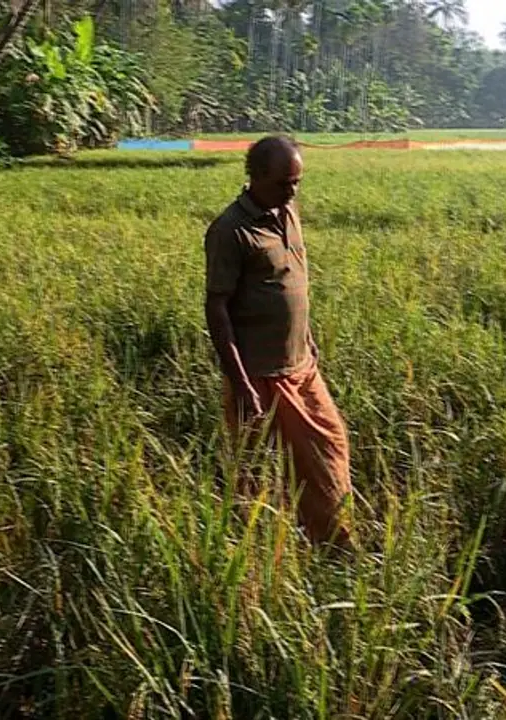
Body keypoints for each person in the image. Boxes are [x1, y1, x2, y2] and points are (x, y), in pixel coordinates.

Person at [203, 135, 352, 547]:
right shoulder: (230, 231)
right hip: (259, 376)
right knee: (253, 472)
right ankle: (257, 554)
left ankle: (332, 545)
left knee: (329, 448)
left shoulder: (288, 213)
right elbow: (217, 309)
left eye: (297, 182)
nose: (293, 191)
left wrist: (307, 337)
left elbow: (293, 282)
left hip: (302, 367)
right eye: (285, 182)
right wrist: (242, 384)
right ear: (256, 176)